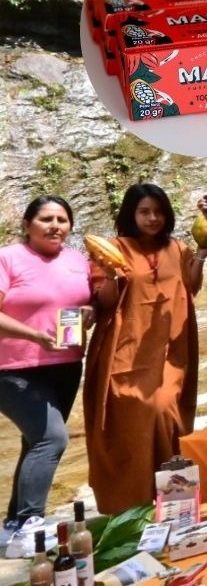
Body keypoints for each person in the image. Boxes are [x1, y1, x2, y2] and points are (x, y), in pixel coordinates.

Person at [85, 183, 205, 515]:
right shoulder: (114, 248)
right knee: (132, 422)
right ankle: (132, 503)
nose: (152, 218)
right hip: (127, 347)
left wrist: (204, 252)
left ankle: (174, 502)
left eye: (158, 211)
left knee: (166, 412)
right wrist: (110, 275)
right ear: (131, 214)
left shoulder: (179, 248)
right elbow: (105, 302)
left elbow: (191, 288)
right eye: (144, 211)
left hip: (171, 348)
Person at [0, 197, 90, 555]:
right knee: (52, 439)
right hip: (12, 369)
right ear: (27, 224)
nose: (56, 225)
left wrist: (89, 312)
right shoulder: (8, 257)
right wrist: (34, 334)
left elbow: (89, 300)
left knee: (34, 441)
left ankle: (11, 525)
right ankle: (30, 524)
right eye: (46, 219)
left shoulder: (77, 259)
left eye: (62, 219)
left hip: (66, 365)